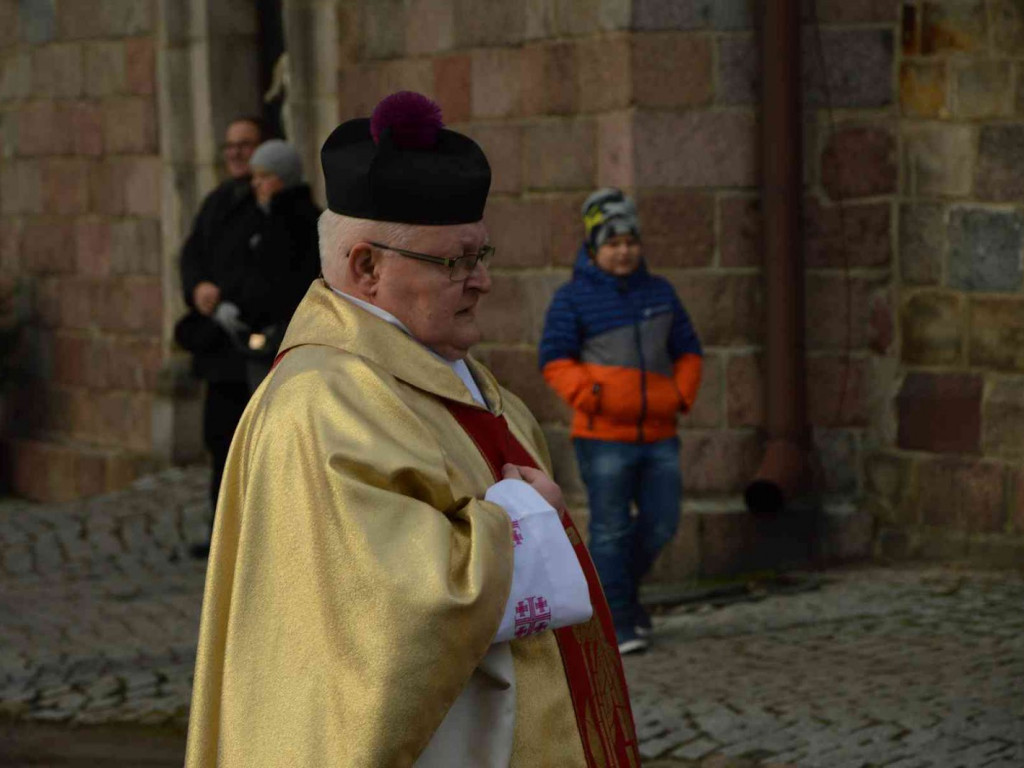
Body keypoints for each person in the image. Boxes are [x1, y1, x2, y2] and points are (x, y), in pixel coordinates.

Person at [185, 92, 640, 767]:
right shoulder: (318, 407)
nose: (483, 280)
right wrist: (525, 518)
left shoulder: (473, 383)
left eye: (484, 254)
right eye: (455, 261)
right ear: (366, 267)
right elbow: (392, 618)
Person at [539, 188, 703, 655]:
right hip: (602, 438)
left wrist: (679, 395)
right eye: (613, 242)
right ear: (594, 248)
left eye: (631, 240)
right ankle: (619, 620)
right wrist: (591, 395)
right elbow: (554, 359)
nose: (624, 250)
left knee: (661, 524)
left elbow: (688, 351)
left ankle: (618, 599)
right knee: (609, 528)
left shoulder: (661, 293)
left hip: (660, 436)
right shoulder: (573, 299)